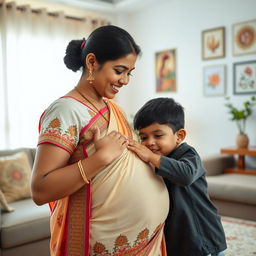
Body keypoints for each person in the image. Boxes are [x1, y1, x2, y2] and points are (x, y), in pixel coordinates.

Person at [31, 25, 169, 256]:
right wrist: (102, 157)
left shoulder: (113, 107)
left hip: (148, 242)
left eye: (129, 73)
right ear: (92, 62)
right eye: (119, 70)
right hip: (97, 243)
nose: (125, 80)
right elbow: (40, 190)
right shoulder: (65, 110)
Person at [127, 97, 227, 256]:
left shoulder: (188, 154)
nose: (150, 143)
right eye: (143, 137)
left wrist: (151, 158)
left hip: (203, 236)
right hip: (177, 236)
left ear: (179, 136)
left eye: (158, 135)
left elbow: (185, 175)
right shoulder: (152, 161)